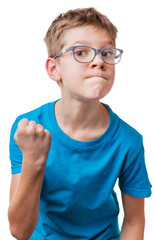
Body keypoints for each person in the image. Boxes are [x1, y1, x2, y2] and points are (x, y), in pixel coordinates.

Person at [8, 7, 152, 240]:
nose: (99, 61)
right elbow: (19, 231)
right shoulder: (28, 130)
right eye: (81, 52)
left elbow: (135, 221)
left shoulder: (129, 141)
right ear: (54, 69)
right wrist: (34, 159)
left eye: (107, 52)